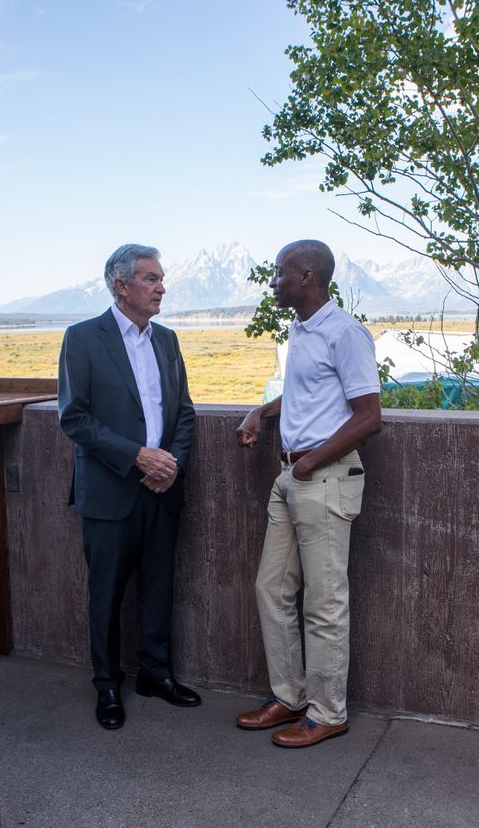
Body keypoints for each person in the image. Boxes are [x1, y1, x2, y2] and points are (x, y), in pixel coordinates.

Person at [234, 239, 381, 748]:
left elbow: (369, 417)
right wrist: (261, 412)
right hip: (291, 478)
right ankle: (290, 696)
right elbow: (304, 391)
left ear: (308, 276)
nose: (272, 281)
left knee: (324, 602)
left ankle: (328, 711)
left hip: (324, 478)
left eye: (279, 273)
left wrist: (313, 460)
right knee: (270, 589)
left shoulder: (346, 334)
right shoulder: (300, 329)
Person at [57, 243, 200, 730]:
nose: (161, 287)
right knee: (107, 594)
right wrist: (136, 456)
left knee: (159, 587)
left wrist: (171, 464)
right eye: (150, 278)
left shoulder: (167, 340)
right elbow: (73, 418)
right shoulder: (83, 338)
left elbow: (183, 412)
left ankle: (156, 675)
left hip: (162, 487)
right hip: (110, 488)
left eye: (161, 279)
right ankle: (107, 687)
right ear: (121, 285)